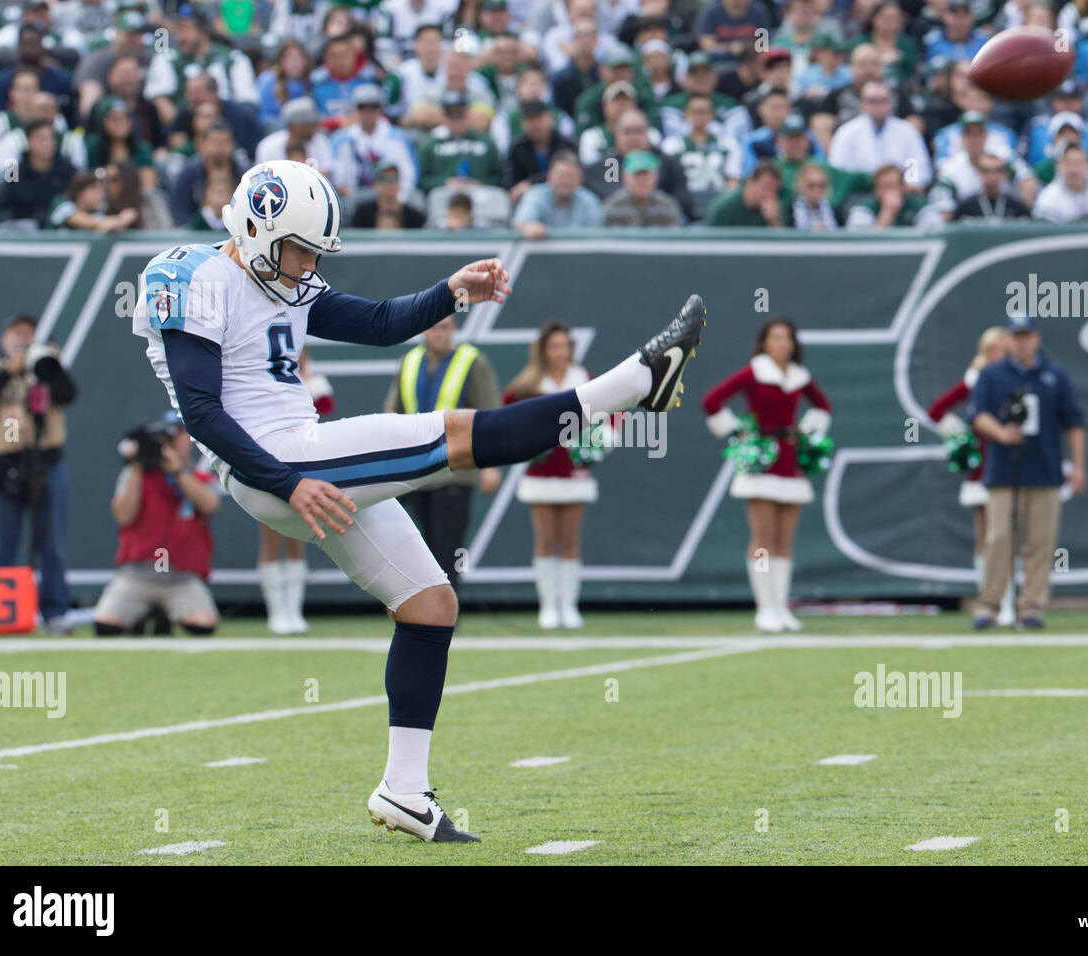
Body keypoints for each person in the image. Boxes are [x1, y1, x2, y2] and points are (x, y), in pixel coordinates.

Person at [132, 159, 705, 843]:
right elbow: (199, 410)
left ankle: (404, 790)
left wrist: (450, 293)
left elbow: (378, 322)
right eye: (297, 248)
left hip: (299, 453)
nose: (305, 264)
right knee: (458, 434)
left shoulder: (282, 279)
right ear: (255, 225)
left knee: (430, 604)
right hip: (277, 460)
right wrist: (286, 480)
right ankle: (637, 381)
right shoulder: (191, 275)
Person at [701, 318, 831, 633]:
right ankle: (764, 608)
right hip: (761, 461)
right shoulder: (753, 373)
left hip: (790, 461)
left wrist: (807, 430)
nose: (782, 343)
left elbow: (823, 407)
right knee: (763, 539)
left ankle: (781, 607)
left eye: (787, 338)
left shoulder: (799, 376)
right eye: (775, 338)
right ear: (764, 343)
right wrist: (739, 430)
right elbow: (711, 401)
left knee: (785, 540)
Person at [969, 315, 1087, 631]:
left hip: (1045, 470)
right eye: (1016, 336)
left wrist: (1078, 466)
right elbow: (977, 415)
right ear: (1007, 339)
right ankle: (988, 606)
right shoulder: (991, 375)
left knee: (1040, 542)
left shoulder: (1055, 376)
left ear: (1036, 338)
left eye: (1026, 335)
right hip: (1003, 472)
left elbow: (1074, 422)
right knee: (998, 540)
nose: (1021, 342)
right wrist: (1001, 433)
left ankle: (1031, 608)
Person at [383, 315, 502, 592]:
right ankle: (420, 608)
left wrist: (492, 466)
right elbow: (393, 412)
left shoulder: (472, 362)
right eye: (433, 326)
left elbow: (489, 415)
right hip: (416, 470)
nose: (438, 333)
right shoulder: (409, 362)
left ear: (454, 330)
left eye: (444, 327)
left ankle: (448, 612)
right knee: (415, 545)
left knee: (447, 546)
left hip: (455, 469)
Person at [0, 314, 77, 632]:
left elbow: (68, 394)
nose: (23, 340)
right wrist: (12, 367)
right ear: (4, 338)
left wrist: (48, 364)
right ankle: (1, 611)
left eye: (29, 334)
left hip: (47, 460)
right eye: (17, 333)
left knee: (51, 542)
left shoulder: (44, 366)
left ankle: (54, 611)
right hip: (6, 464)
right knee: (5, 540)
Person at [501, 322, 598, 630]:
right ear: (543, 350)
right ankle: (548, 607)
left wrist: (598, 441)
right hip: (540, 475)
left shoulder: (584, 380)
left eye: (565, 346)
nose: (561, 352)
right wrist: (524, 442)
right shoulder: (529, 384)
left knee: (570, 540)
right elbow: (504, 415)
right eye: (554, 346)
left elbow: (614, 410)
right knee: (544, 539)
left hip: (574, 474)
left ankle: (569, 606)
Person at [93, 414, 221, 637]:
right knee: (106, 626)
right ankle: (141, 614)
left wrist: (178, 472)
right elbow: (124, 516)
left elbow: (209, 505)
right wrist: (138, 466)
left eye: (176, 436)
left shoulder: (196, 475)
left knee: (202, 626)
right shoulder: (136, 475)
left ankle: (164, 614)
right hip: (138, 574)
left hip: (182, 577)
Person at [927, 326, 1017, 626]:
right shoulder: (976, 380)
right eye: (1003, 349)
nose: (1009, 353)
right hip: (983, 470)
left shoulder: (1017, 377)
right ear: (990, 352)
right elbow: (936, 410)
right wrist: (963, 437)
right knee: (986, 538)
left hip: (1011, 464)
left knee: (1006, 537)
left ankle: (1008, 603)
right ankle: (989, 600)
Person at [258, 348, 335, 634]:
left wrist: (308, 376)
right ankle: (276, 612)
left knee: (298, 538)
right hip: (269, 467)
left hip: (304, 469)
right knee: (271, 539)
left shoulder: (306, 379)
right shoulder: (264, 380)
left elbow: (326, 405)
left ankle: (293, 611)